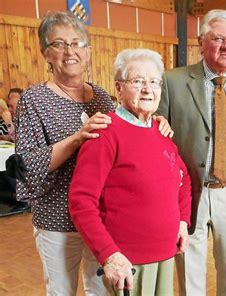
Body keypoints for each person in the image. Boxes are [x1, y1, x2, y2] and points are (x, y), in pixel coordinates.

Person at [14, 11, 171, 295]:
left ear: (88, 53)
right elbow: (27, 166)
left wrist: (154, 121)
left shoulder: (100, 95)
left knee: (100, 291)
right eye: (59, 44)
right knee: (62, 291)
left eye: (77, 43)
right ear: (45, 54)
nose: (69, 51)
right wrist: (77, 138)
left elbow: (123, 133)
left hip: (101, 221)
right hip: (58, 220)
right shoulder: (33, 100)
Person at [157, 9, 226, 296]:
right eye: (218, 38)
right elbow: (156, 134)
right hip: (188, 193)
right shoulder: (172, 81)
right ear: (200, 41)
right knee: (189, 271)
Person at [69, 48, 191, 295]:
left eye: (154, 82)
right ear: (119, 88)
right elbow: (81, 201)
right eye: (137, 81)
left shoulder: (161, 132)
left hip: (165, 254)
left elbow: (184, 179)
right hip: (127, 263)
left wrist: (182, 221)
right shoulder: (105, 134)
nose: (148, 88)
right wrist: (109, 255)